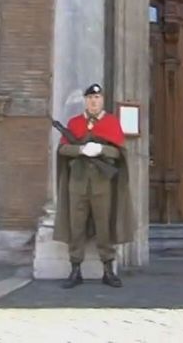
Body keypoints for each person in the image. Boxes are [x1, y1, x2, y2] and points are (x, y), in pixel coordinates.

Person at [53, 83, 136, 289]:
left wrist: (100, 150)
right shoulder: (75, 123)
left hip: (102, 184)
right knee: (76, 226)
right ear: (85, 101)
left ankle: (108, 270)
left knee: (104, 226)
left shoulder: (111, 122)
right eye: (90, 98)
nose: (93, 102)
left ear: (102, 100)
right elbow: (63, 149)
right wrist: (81, 150)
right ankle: (75, 270)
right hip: (77, 183)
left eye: (97, 98)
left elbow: (118, 152)